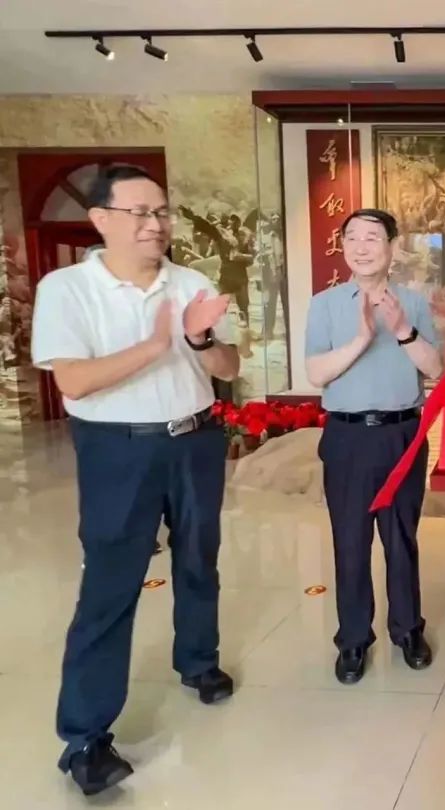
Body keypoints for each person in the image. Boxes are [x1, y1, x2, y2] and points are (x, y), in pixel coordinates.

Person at [30, 164, 240, 796]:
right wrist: (154, 346)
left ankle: (198, 661)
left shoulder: (191, 282)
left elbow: (228, 366)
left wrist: (198, 338)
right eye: (141, 212)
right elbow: (73, 380)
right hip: (117, 449)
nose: (156, 224)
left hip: (195, 439)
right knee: (111, 583)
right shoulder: (68, 289)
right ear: (101, 220)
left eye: (162, 212)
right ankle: (86, 737)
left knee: (199, 559)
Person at [304, 208, 443, 683]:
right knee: (350, 540)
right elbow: (316, 372)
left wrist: (402, 330)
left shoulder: (413, 303)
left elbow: (435, 368)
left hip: (402, 434)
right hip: (347, 436)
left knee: (401, 539)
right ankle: (353, 640)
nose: (361, 247)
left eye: (372, 237)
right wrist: (362, 338)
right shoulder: (324, 305)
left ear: (392, 247)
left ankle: (408, 630)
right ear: (343, 246)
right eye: (352, 238)